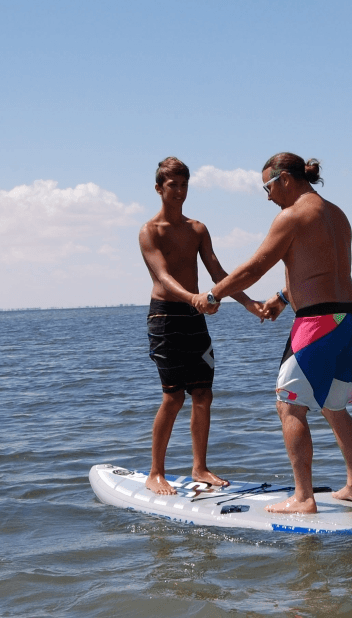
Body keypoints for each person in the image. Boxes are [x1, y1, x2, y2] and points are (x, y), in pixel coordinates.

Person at [192, 153, 352, 514]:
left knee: (289, 405)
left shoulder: (290, 216)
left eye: (267, 187)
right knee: (335, 406)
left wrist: (213, 294)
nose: (268, 197)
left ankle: (303, 498)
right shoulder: (336, 214)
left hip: (319, 324)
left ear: (285, 179)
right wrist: (285, 298)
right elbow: (323, 269)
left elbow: (256, 266)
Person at [139, 156, 263, 496]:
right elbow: (162, 277)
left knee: (203, 394)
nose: (179, 191)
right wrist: (194, 298)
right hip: (165, 318)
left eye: (184, 185)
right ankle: (155, 473)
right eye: (172, 185)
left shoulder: (197, 229)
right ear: (158, 188)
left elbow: (218, 275)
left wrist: (250, 304)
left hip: (194, 317)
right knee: (173, 396)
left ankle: (200, 467)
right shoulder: (150, 232)